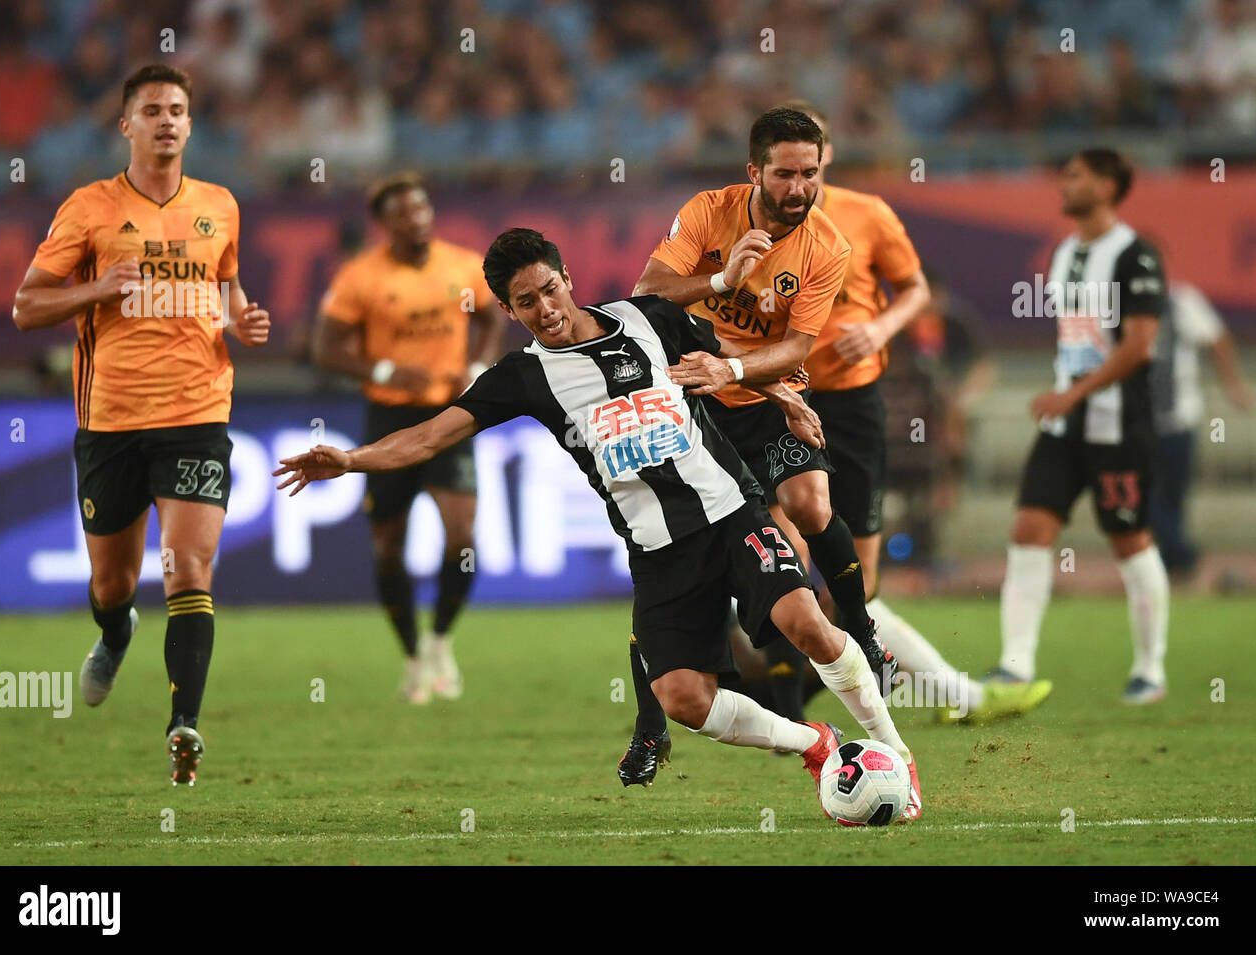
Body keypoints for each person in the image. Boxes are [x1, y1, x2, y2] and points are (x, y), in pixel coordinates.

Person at [275, 228, 923, 819]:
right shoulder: (523, 377)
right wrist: (353, 459)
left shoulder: (647, 318)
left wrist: (785, 397)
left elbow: (724, 356)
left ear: (568, 278)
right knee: (681, 698)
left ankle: (895, 752)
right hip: (659, 551)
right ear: (508, 311)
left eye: (550, 289)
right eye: (526, 302)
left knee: (804, 621)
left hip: (731, 511)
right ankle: (818, 744)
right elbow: (431, 435)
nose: (546, 309)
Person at [617, 107, 905, 788]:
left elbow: (800, 348)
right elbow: (645, 296)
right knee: (666, 551)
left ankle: (861, 629)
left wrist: (744, 373)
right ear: (755, 172)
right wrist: (720, 280)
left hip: (760, 395)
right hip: (689, 406)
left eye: (810, 172)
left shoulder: (827, 247)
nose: (799, 186)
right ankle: (650, 724)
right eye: (785, 173)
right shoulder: (708, 213)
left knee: (809, 501)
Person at [11, 64, 271, 785]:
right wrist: (96, 288)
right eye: (152, 109)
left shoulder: (221, 204)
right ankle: (116, 632)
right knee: (112, 583)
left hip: (197, 412)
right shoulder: (90, 208)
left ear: (191, 125)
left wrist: (242, 319)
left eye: (178, 110)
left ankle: (183, 722)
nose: (166, 121)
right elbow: (26, 307)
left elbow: (226, 288)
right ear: (125, 125)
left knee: (189, 566)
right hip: (112, 420)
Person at [756, 102, 1051, 728]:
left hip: (854, 403)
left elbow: (918, 290)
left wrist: (882, 324)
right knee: (776, 568)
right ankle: (796, 700)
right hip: (775, 400)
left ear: (826, 155)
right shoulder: (748, 224)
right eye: (787, 165)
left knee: (853, 589)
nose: (800, 177)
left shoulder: (868, 215)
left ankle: (797, 700)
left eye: (813, 157)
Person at [312, 172, 502, 703]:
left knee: (461, 537)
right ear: (385, 224)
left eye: (422, 209)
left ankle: (441, 641)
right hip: (389, 418)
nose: (417, 219)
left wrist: (480, 363)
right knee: (389, 547)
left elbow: (492, 319)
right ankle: (413, 656)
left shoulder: (463, 266)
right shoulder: (360, 276)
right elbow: (326, 349)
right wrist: (385, 371)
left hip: (450, 416)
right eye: (404, 213)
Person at [990, 148, 1171, 704]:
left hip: (1117, 425)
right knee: (1029, 530)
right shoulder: (1066, 251)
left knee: (1129, 539)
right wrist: (1065, 393)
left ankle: (1150, 670)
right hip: (1066, 424)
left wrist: (1072, 393)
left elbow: (1140, 346)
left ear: (1109, 185)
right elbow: (1079, 336)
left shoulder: (1135, 256)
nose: (1063, 185)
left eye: (1076, 176)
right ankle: (1015, 665)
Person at [1149, 280, 1254, 578]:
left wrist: (1233, 385)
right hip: (1135, 423)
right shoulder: (1117, 303)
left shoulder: (1182, 301)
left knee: (1172, 495)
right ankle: (1180, 554)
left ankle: (1172, 565)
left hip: (1179, 417)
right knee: (1143, 494)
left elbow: (1216, 339)